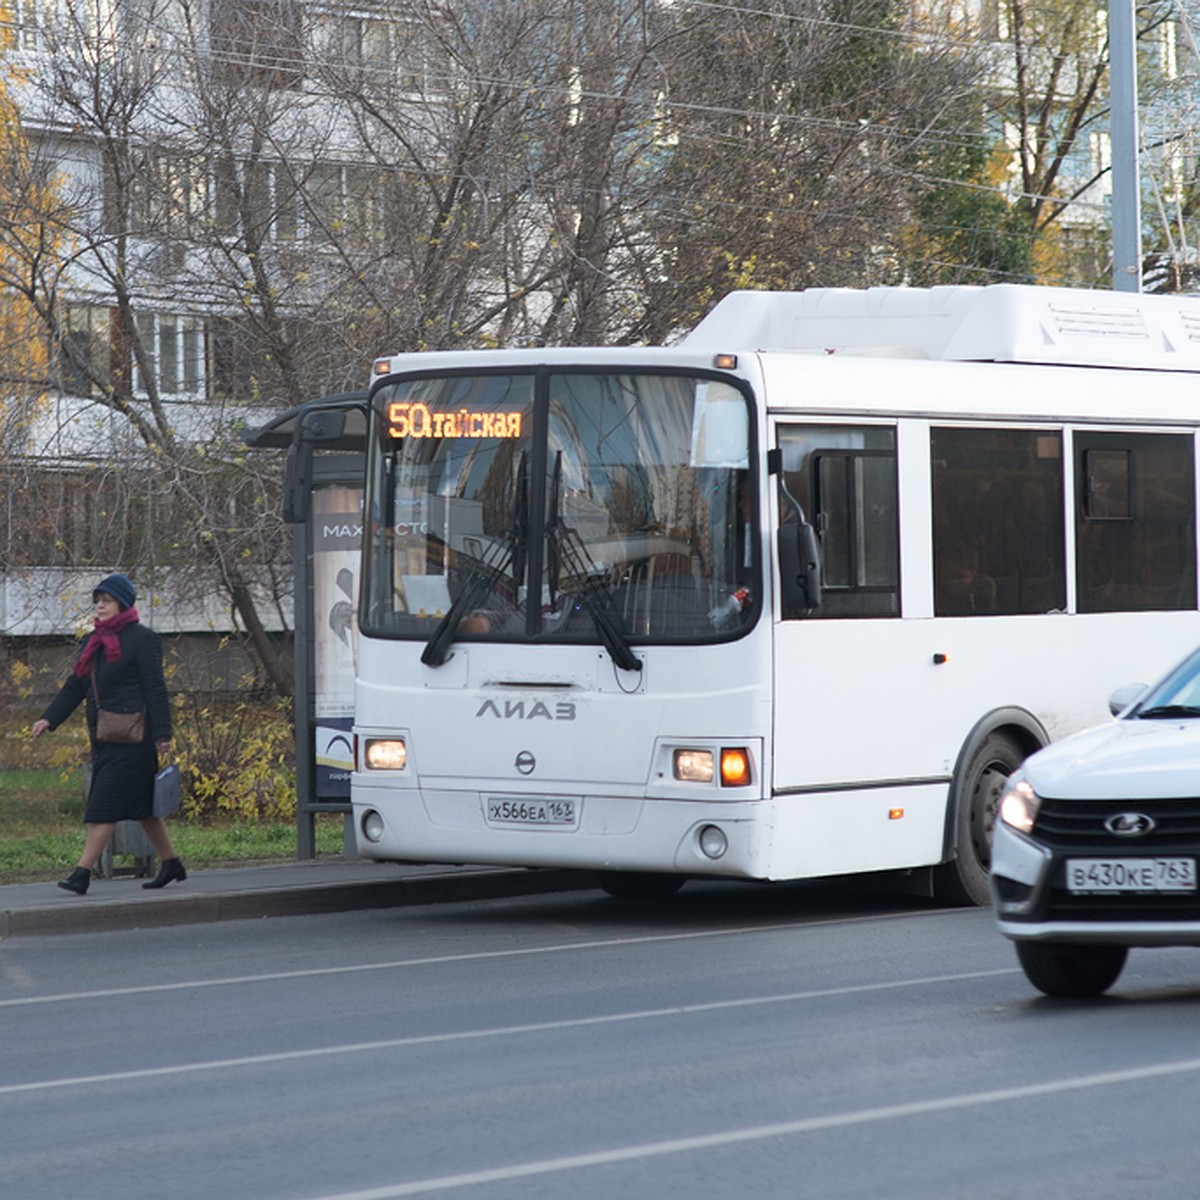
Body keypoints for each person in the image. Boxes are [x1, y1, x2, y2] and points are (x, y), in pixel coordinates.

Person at [31, 573, 185, 895]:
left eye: (107, 600)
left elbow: (155, 689)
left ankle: (81, 873)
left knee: (102, 807)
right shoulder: (94, 641)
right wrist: (49, 719)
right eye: (97, 600)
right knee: (142, 809)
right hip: (105, 737)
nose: (100, 606)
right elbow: (76, 686)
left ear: (123, 604)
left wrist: (163, 733)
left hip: (135, 738)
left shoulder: (143, 639)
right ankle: (171, 863)